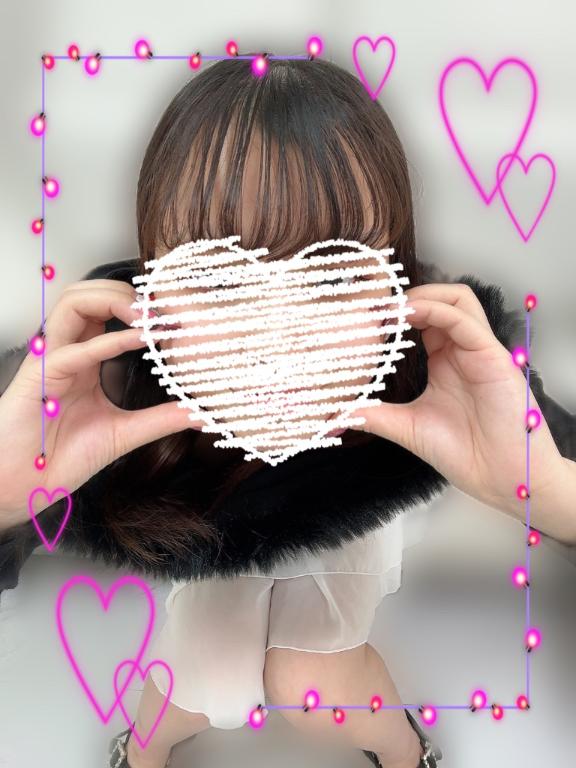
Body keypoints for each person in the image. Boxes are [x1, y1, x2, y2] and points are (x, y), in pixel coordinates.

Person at [1, 54, 575, 768]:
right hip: (212, 522)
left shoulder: (452, 362)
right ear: (151, 282)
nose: (275, 329)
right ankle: (143, 751)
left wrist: (546, 491)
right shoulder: (89, 376)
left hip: (342, 525)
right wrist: (7, 494)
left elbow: (556, 457)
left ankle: (405, 751)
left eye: (329, 275)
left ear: (393, 281)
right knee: (201, 670)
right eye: (218, 276)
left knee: (316, 684)